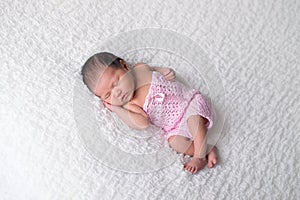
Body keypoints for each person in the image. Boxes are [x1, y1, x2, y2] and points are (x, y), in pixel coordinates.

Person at [81, 52, 218, 174]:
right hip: (175, 127)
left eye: (116, 83)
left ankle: (199, 158)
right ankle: (207, 149)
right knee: (175, 143)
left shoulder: (140, 70)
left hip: (190, 104)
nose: (117, 93)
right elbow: (143, 123)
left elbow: (152, 69)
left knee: (193, 120)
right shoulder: (130, 105)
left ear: (125, 66)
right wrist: (118, 109)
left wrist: (162, 71)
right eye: (107, 95)